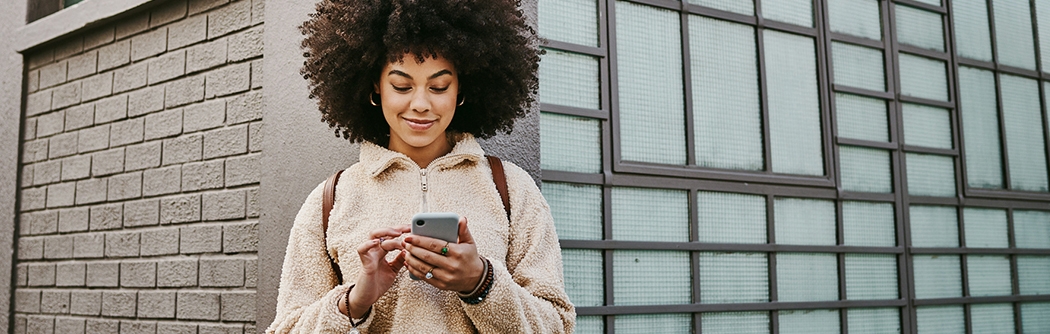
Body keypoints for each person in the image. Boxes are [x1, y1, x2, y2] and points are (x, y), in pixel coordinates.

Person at [265, 0, 576, 332]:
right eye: (401, 85)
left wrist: (481, 283)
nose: (421, 104)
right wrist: (354, 302)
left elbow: (558, 324)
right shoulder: (331, 198)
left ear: (461, 89)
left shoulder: (511, 189)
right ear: (375, 86)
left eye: (439, 86)